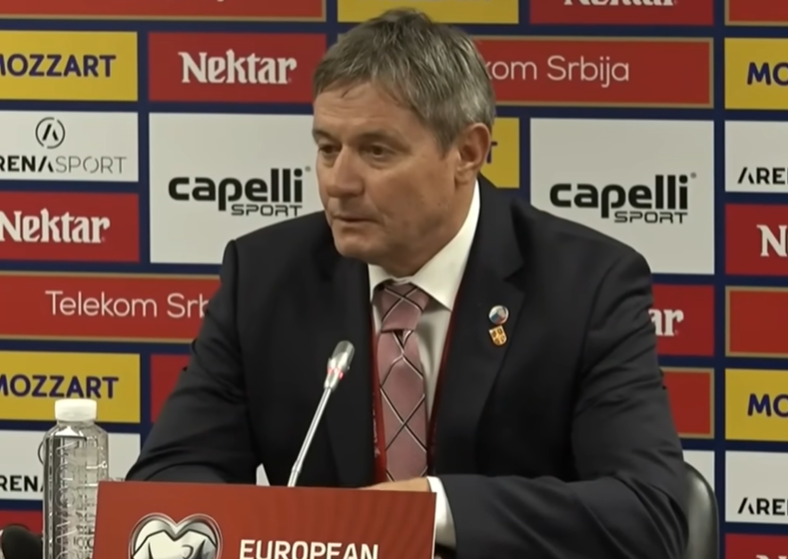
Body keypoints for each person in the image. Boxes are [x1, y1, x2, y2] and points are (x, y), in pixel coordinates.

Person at [126, 8, 688, 559]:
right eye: (327, 148)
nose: (339, 183)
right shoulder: (266, 275)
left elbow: (647, 514)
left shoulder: (585, 285)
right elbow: (169, 477)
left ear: (467, 153)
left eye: (377, 151)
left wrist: (431, 508)